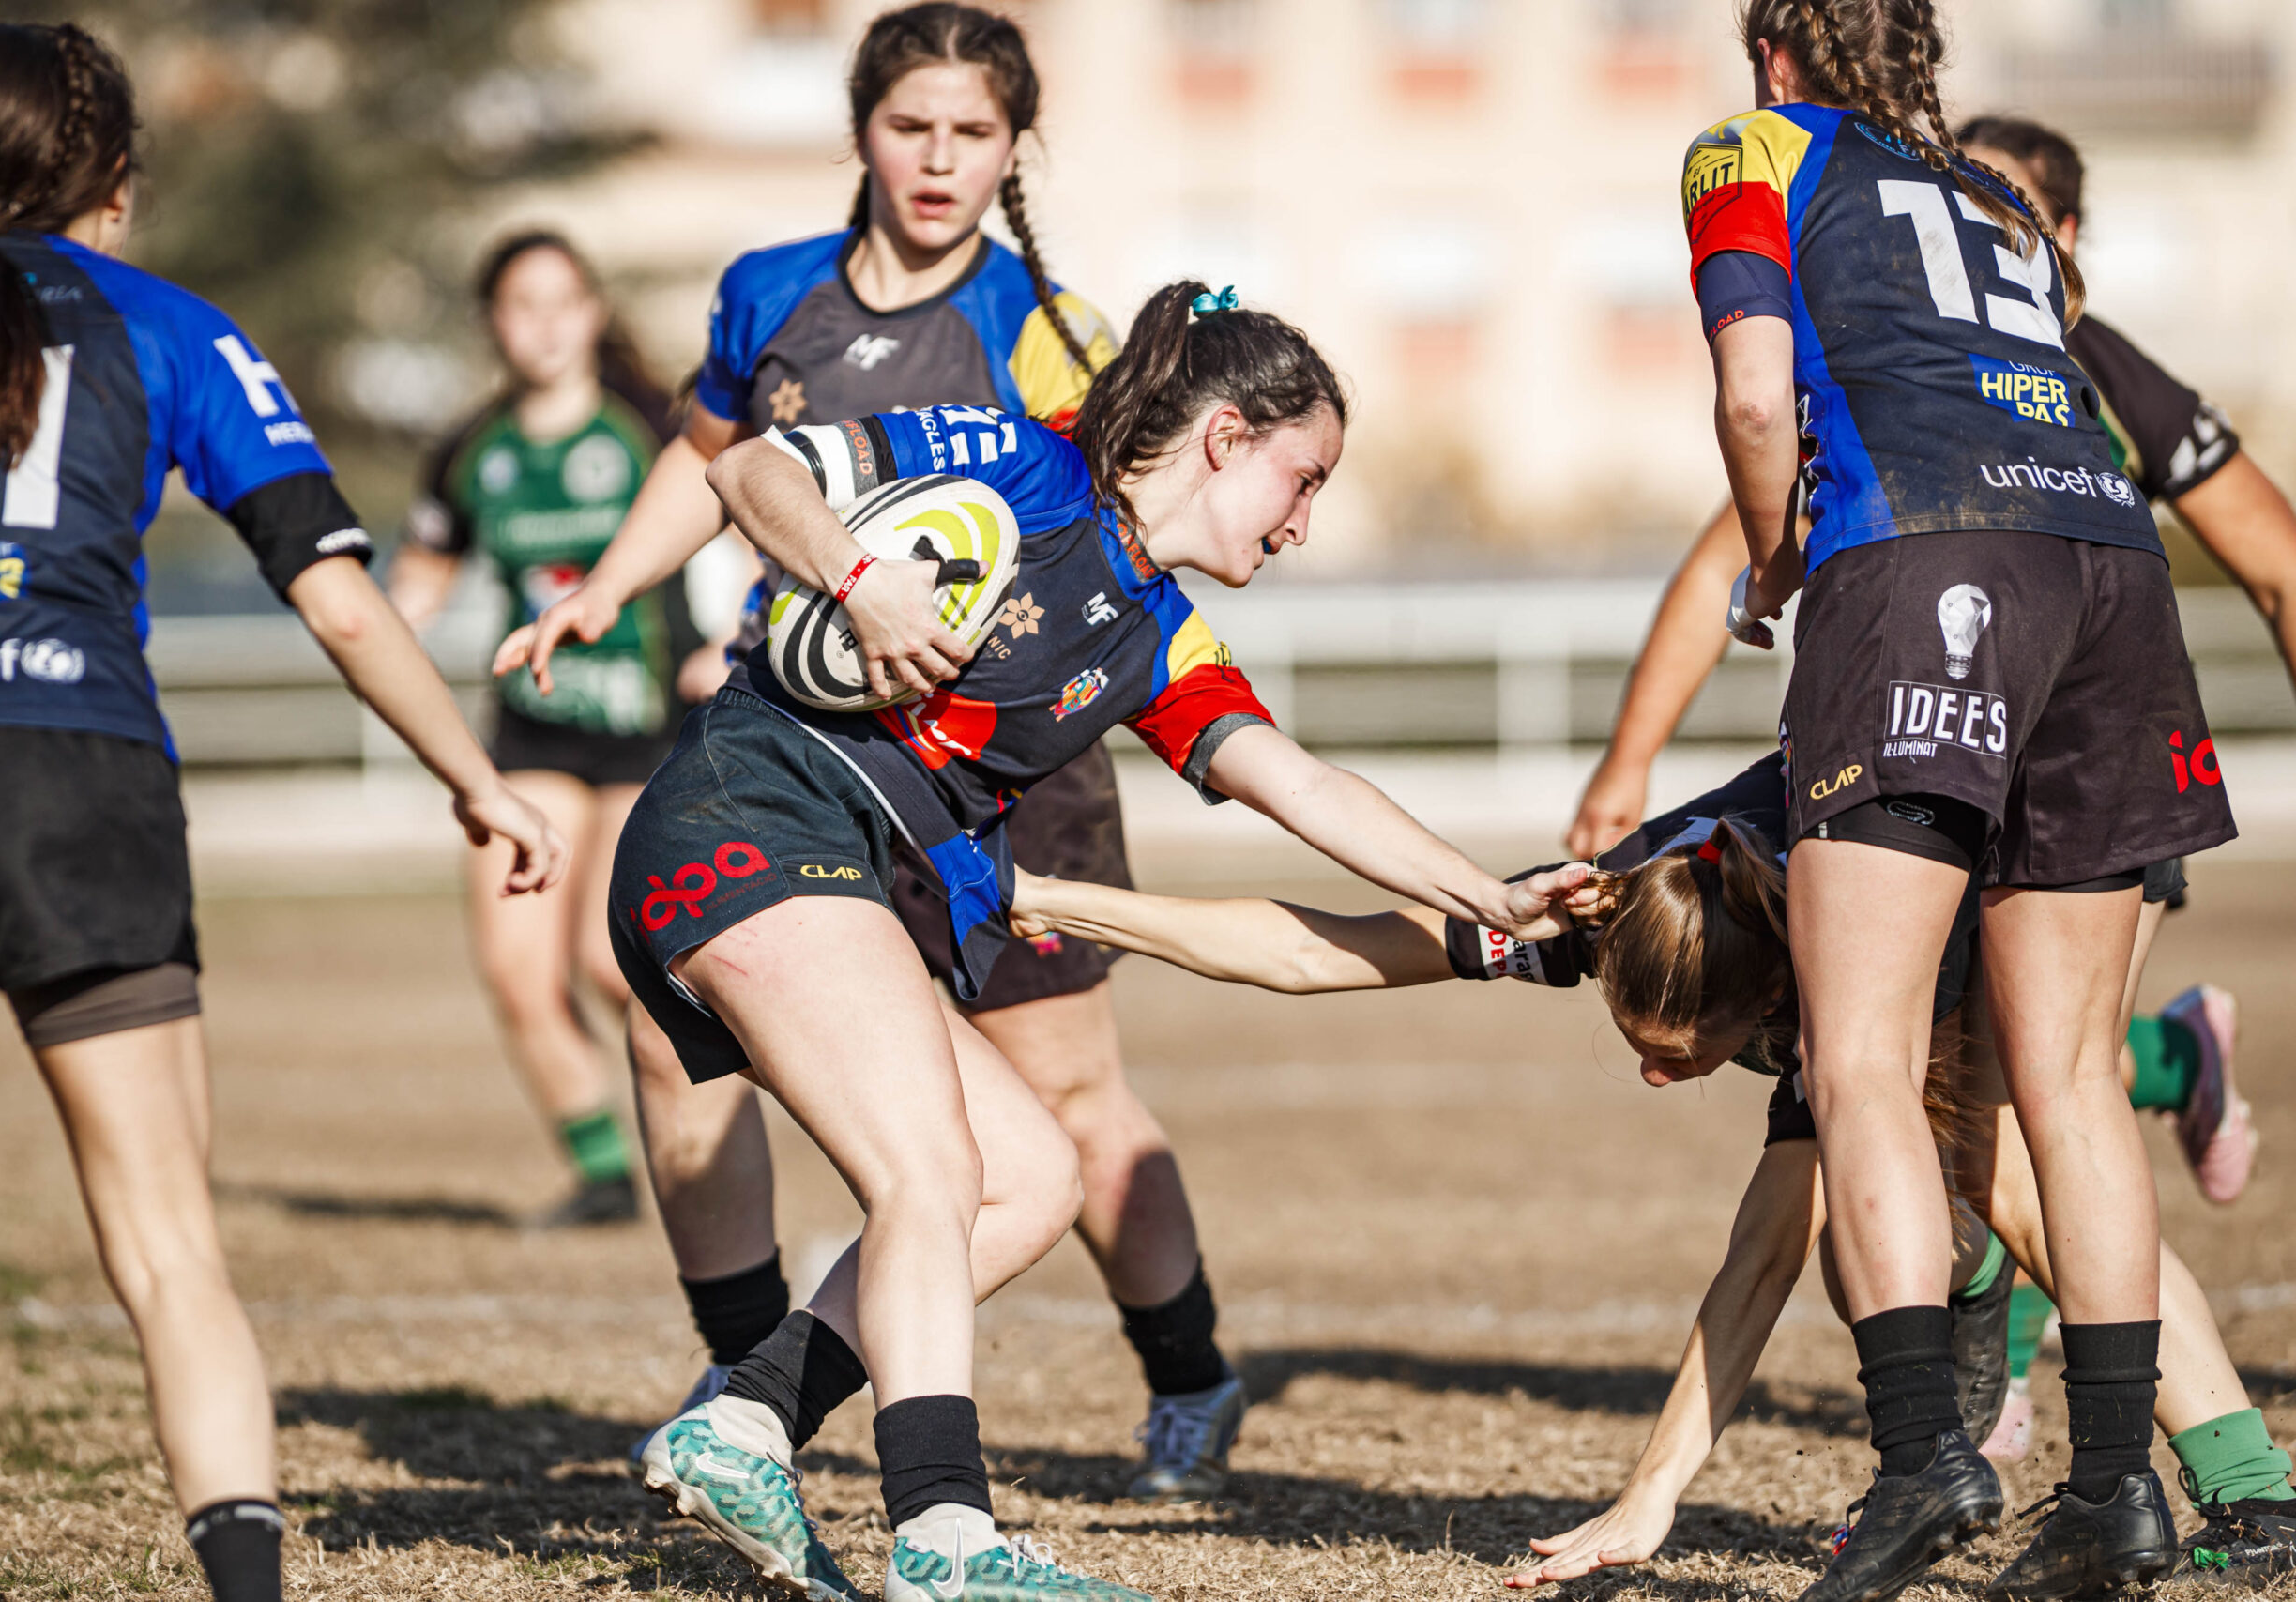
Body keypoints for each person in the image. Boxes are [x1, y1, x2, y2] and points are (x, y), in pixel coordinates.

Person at [590, 279, 1588, 1602]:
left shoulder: (1162, 637)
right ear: (1226, 435)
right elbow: (756, 466)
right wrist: (857, 574)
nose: (1305, 522)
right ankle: (946, 1538)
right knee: (932, 1165)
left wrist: (1492, 901)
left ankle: (746, 1415)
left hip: (818, 858)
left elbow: (1306, 791)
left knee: (1033, 1177)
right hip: (749, 816)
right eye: (1303, 478)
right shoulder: (1022, 457)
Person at [502, 2, 1250, 1503]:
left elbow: (1111, 555)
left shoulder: (1048, 333)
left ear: (1013, 150)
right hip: (813, 772)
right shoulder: (770, 291)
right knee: (679, 1041)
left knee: (1065, 1110)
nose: (939, 160)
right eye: (912, 126)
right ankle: (746, 1375)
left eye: (974, 134)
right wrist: (607, 584)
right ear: (861, 130)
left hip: (1003, 776)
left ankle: (1189, 1373)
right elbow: (711, 460)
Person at [1001, 755, 2296, 1588]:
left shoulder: (1827, 958)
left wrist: (1650, 1492)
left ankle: (2255, 1489)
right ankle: (1963, 1349)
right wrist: (1068, 898)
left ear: (1774, 1009)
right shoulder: (1622, 906)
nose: (1654, 1077)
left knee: (2022, 1180)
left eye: (1687, 1060)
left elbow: (1758, 1255)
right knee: (1912, 1223)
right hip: (1855, 853)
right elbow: (1320, 950)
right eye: (1643, 1048)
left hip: (2024, 810)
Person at [0, 23, 566, 1602]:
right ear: (115, 183)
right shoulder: (172, 327)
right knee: (168, 1247)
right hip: (68, 771)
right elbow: (337, 602)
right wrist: (474, 775)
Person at [1689, 5, 2235, 1597]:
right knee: (2067, 1072)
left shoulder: (1750, 149)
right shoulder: (1994, 196)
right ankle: (2118, 1488)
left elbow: (1749, 393)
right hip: (2113, 570)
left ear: (1775, 55)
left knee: (1861, 1049)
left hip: (1925, 556)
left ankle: (1925, 1453)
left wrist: (1780, 556)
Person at [390, 231, 695, 1228]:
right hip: (530, 734)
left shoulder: (654, 427)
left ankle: (708, 1135)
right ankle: (605, 1173)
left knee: (612, 965)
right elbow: (415, 588)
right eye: (523, 304)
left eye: (564, 300)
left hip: (652, 728)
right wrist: (376, 628)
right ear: (494, 324)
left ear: (595, 311)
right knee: (520, 974)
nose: (546, 323)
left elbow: (741, 518)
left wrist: (738, 635)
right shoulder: (474, 451)